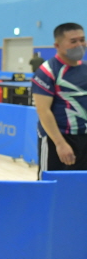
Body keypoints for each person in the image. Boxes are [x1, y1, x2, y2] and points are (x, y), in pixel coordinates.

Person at [32, 22, 87, 177]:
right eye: (73, 41)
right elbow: (43, 111)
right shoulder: (47, 72)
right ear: (57, 45)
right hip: (57, 139)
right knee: (51, 185)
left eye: (82, 40)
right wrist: (60, 144)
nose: (80, 45)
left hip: (84, 137)